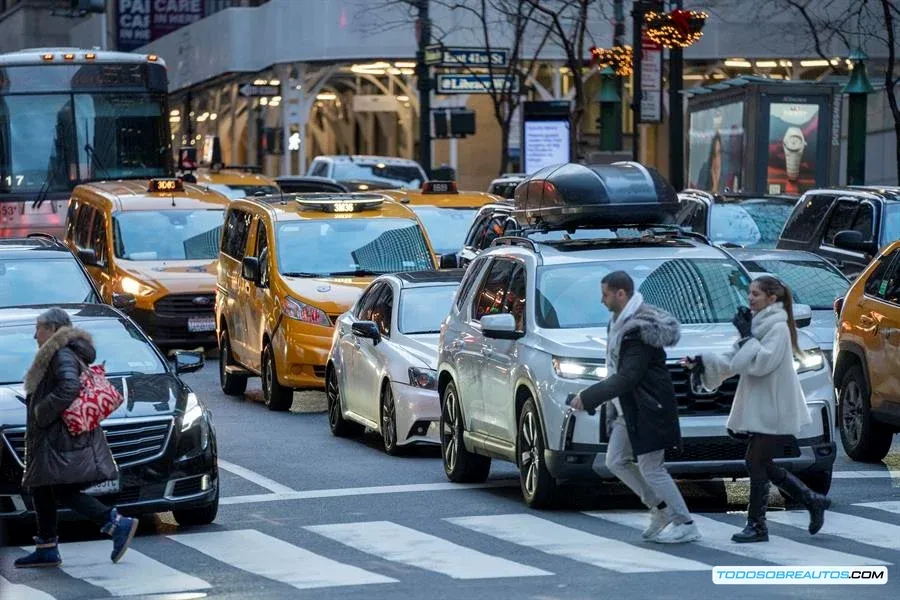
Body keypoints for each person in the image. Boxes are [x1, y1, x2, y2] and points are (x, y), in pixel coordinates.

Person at [682, 276, 830, 543]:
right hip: (762, 406)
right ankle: (811, 500)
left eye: (756, 294)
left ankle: (759, 525)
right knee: (758, 462)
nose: (750, 298)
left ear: (772, 299)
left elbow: (762, 363)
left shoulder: (778, 327)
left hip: (775, 406)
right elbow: (735, 360)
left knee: (756, 462)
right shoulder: (761, 324)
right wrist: (702, 362)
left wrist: (747, 336)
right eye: (749, 293)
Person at [570, 271, 700, 544]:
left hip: (649, 407)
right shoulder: (618, 322)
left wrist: (589, 396)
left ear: (621, 294)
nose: (601, 299)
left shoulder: (638, 330)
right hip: (628, 408)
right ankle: (660, 509)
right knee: (615, 460)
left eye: (605, 294)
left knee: (652, 467)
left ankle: (685, 522)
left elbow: (629, 376)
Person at [15, 307, 139, 568]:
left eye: (38, 328)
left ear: (52, 330)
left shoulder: (60, 354)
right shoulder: (60, 354)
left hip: (59, 438)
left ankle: (116, 523)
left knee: (61, 489)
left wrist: (42, 410)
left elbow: (69, 386)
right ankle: (46, 547)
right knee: (42, 489)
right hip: (54, 437)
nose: (34, 334)